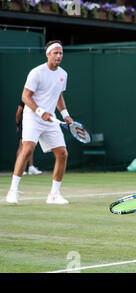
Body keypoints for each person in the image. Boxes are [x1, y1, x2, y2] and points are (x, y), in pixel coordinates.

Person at [6, 40, 73, 204]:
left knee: (62, 153)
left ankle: (54, 195)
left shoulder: (63, 74)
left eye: (61, 53)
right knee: (28, 149)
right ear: (48, 54)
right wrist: (40, 111)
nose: (59, 56)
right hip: (32, 117)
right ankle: (13, 191)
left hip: (50, 120)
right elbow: (25, 96)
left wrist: (65, 114)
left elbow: (58, 96)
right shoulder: (36, 72)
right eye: (55, 53)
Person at [15, 100, 43, 175]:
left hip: (35, 124)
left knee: (30, 146)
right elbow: (18, 112)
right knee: (22, 147)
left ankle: (31, 168)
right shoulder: (26, 98)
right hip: (25, 123)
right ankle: (21, 169)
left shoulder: (41, 98)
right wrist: (18, 124)